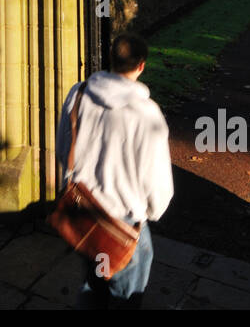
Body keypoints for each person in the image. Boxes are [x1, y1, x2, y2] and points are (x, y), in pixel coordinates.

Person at [57, 33, 174, 309]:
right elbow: (157, 182)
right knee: (125, 296)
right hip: (123, 223)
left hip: (85, 211)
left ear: (111, 59)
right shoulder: (148, 114)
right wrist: (152, 213)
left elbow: (64, 146)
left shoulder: (79, 93)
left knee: (94, 281)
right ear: (142, 65)